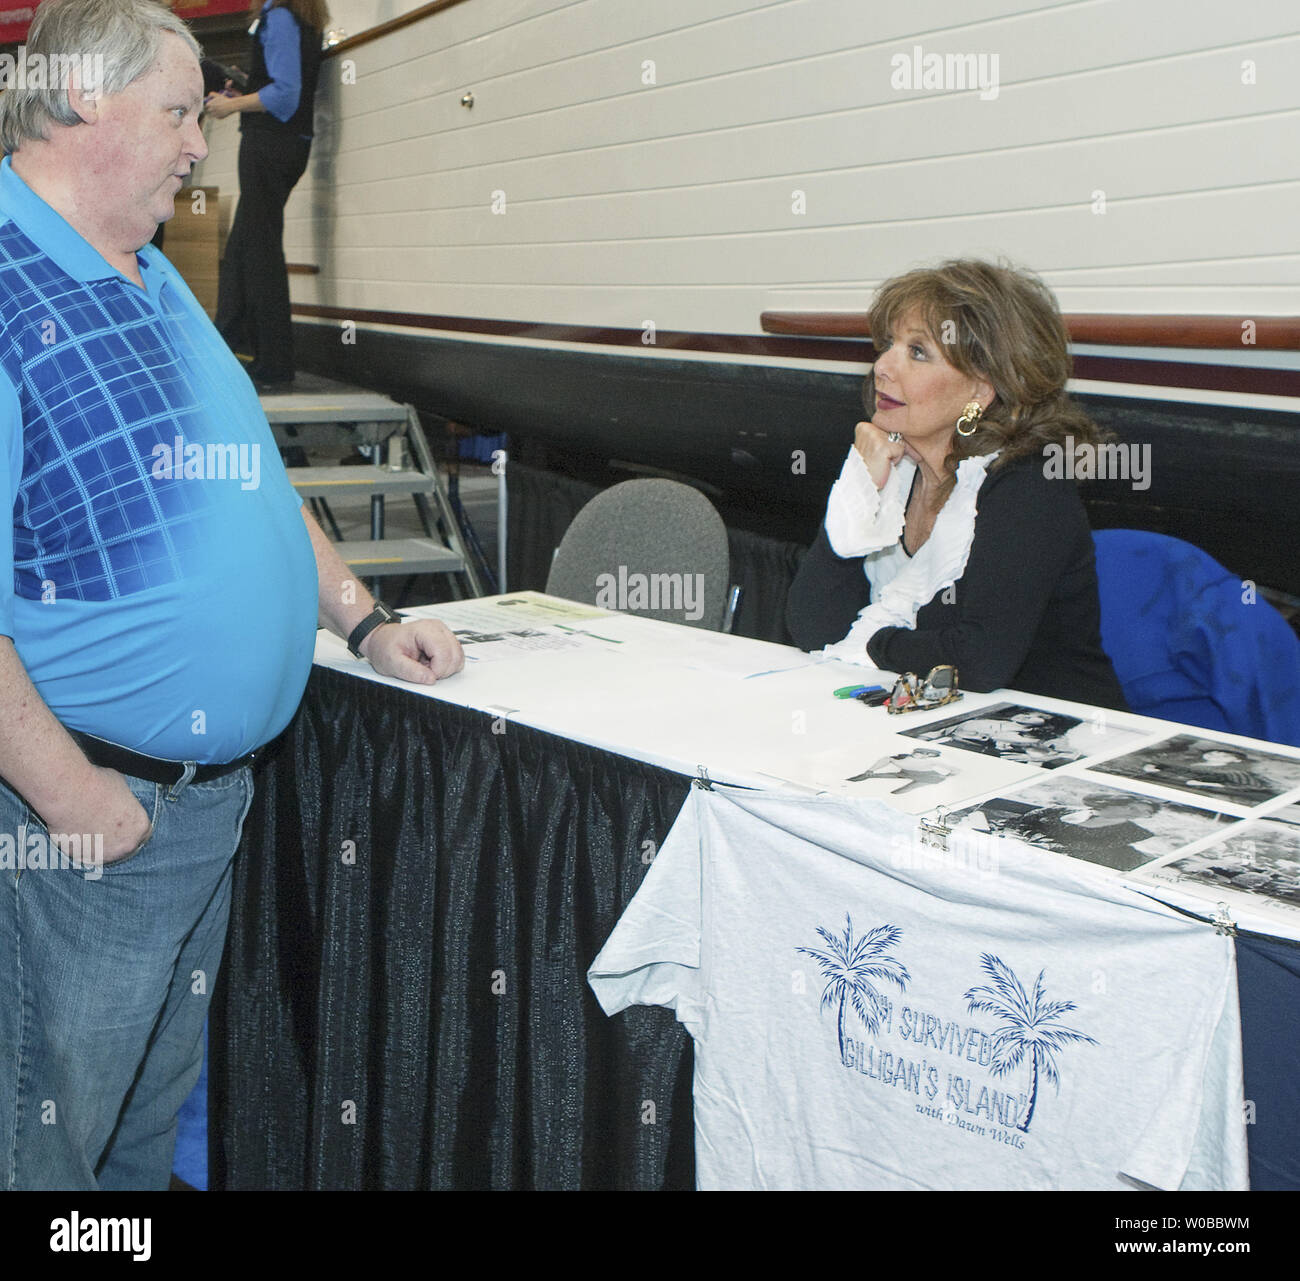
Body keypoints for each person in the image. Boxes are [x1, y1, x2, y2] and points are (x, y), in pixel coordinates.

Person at [0, 0, 461, 1190]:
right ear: (76, 101)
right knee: (46, 1143)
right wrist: (71, 800)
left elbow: (256, 485)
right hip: (94, 819)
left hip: (196, 811)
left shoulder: (150, 272)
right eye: (179, 114)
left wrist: (362, 615)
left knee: (142, 1130)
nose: (201, 146)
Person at [785, 259, 1128, 710]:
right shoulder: (893, 465)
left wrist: (873, 645)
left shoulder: (1029, 484)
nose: (883, 366)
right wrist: (860, 490)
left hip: (1054, 742)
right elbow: (811, 626)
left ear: (981, 391)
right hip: (929, 726)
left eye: (917, 352)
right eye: (889, 344)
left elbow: (979, 661)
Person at [207, 0, 327, 388]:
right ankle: (231, 346)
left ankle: (274, 363)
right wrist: (245, 85)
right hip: (289, 144)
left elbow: (284, 95)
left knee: (260, 253)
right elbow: (286, 84)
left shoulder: (278, 16)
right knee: (244, 247)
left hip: (268, 145)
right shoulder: (303, 17)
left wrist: (231, 106)